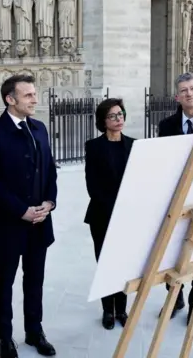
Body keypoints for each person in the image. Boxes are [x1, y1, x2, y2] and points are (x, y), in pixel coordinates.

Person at [0, 74, 58, 358]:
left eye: (35, 94)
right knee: (5, 281)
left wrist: (49, 202)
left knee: (35, 280)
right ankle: (5, 337)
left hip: (40, 222)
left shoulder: (40, 128)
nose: (35, 99)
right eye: (28, 95)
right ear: (10, 99)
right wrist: (22, 211)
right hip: (9, 224)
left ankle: (35, 332)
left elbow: (50, 170)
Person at [157, 72, 193, 327]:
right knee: (170, 249)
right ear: (177, 96)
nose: (189, 93)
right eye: (184, 90)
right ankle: (174, 298)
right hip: (176, 198)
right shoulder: (166, 126)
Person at [83, 98, 134, 330]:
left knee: (123, 263)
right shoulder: (93, 146)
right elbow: (92, 185)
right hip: (102, 214)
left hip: (126, 215)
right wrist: (113, 207)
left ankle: (122, 309)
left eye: (120, 114)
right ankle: (107, 310)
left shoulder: (133, 145)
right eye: (113, 115)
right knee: (105, 262)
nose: (118, 118)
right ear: (103, 121)